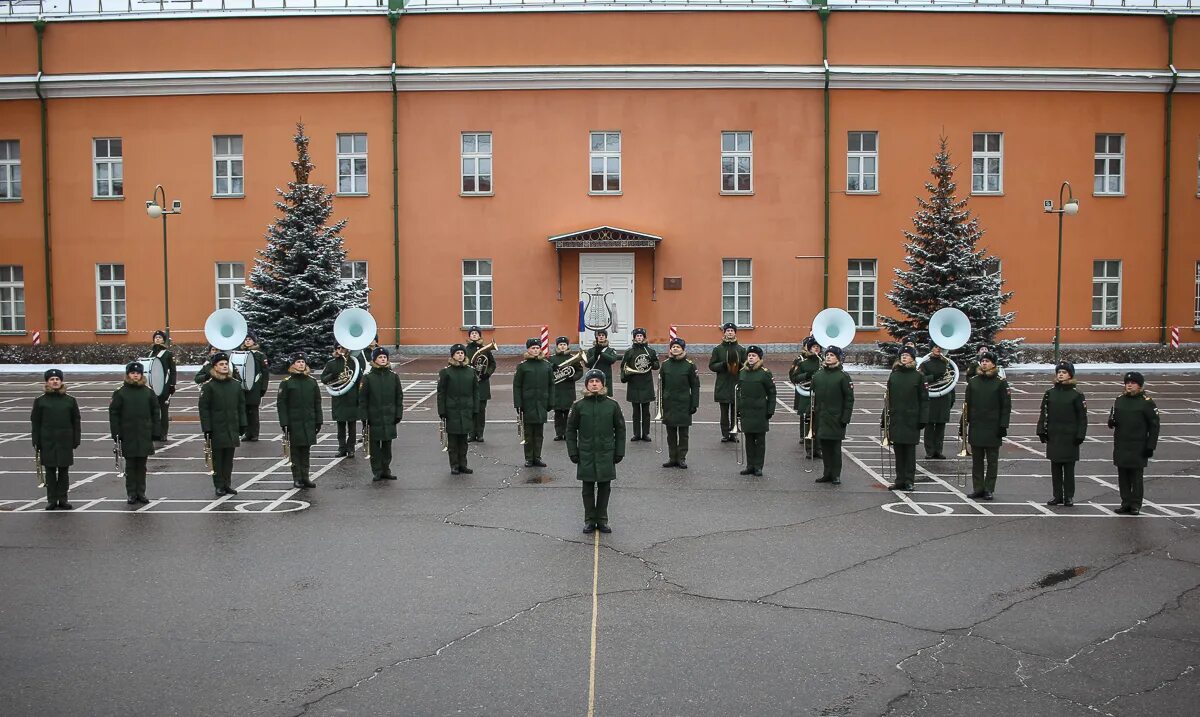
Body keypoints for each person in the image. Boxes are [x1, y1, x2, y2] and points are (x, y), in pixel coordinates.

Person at [567, 369, 626, 534]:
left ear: (603, 384)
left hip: (606, 452)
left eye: (597, 381)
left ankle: (602, 519)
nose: (594, 384)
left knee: (604, 488)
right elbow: (571, 430)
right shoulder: (578, 406)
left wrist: (619, 451)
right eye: (591, 381)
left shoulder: (612, 405)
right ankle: (589, 520)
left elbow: (620, 430)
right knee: (587, 488)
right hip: (586, 452)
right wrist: (573, 451)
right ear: (586, 384)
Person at [1107, 371, 1160, 515]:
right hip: (1121, 443)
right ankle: (1125, 502)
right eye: (1127, 383)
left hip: (1138, 444)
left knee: (1136, 477)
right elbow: (1113, 417)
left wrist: (1150, 446)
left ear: (1140, 385)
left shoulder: (1146, 402)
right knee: (1123, 475)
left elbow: (1154, 426)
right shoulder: (1119, 399)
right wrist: (1111, 422)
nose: (1129, 385)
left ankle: (1136, 504)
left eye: (1133, 383)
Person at [1037, 361, 1088, 507]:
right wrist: (1041, 430)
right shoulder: (1050, 393)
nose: (1060, 374)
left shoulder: (1076, 394)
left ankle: (1069, 496)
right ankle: (1057, 495)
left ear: (1070, 375)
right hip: (1054, 434)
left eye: (1064, 372)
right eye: (1059, 372)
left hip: (1070, 436)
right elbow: (1044, 412)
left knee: (1069, 468)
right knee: (1056, 467)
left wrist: (1080, 434)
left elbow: (1082, 417)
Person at [109, 361, 161, 505]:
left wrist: (156, 431)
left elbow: (155, 412)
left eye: (138, 373)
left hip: (144, 433)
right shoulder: (120, 393)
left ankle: (141, 492)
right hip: (128, 434)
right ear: (128, 375)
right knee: (131, 466)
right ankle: (131, 493)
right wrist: (116, 433)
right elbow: (114, 414)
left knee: (142, 466)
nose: (135, 376)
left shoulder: (148, 392)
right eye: (132, 373)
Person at [30, 368, 81, 510]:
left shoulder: (70, 400)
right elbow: (35, 422)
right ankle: (52, 499)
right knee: (50, 472)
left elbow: (76, 421)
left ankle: (63, 499)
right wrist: (36, 441)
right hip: (48, 441)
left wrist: (76, 439)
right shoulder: (40, 401)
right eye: (52, 379)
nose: (55, 381)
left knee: (64, 472)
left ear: (61, 381)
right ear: (47, 382)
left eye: (57, 379)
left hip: (65, 441)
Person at [963, 351, 1011, 500]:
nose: (984, 363)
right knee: (977, 460)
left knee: (992, 460)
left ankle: (989, 488)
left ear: (994, 364)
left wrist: (1003, 425)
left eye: (987, 361)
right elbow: (967, 405)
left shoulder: (1000, 382)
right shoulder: (974, 381)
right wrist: (963, 424)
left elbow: (1006, 406)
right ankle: (978, 488)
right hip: (977, 425)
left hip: (993, 426)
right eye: (982, 361)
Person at [198, 352, 247, 498]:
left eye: (226, 364)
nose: (224, 366)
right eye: (221, 364)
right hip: (216, 427)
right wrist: (207, 428)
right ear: (215, 367)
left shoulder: (235, 385)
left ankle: (227, 484)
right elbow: (204, 409)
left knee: (228, 459)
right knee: (218, 459)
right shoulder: (209, 386)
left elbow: (241, 406)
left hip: (231, 426)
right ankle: (219, 485)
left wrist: (243, 424)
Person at [884, 346, 929, 491]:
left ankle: (909, 480)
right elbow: (888, 398)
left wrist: (923, 418)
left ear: (912, 358)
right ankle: (899, 480)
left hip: (911, 419)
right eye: (902, 355)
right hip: (897, 418)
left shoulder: (918, 376)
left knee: (909, 452)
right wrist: (884, 417)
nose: (904, 357)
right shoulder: (894, 375)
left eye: (907, 355)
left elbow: (924, 400)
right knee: (898, 451)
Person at [359, 347, 405, 481]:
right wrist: (364, 417)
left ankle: (386, 469)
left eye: (384, 357)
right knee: (374, 446)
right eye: (380, 357)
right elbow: (362, 400)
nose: (383, 359)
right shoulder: (368, 378)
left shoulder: (393, 376)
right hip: (374, 417)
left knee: (387, 445)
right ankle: (377, 471)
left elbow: (399, 397)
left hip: (389, 416)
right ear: (374, 360)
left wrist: (398, 413)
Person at [278, 354, 322, 489]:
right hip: (294, 422)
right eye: (298, 362)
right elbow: (282, 404)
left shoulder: (311, 382)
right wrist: (284, 423)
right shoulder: (287, 382)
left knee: (306, 450)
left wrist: (318, 420)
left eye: (303, 362)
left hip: (308, 421)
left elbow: (317, 402)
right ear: (293, 365)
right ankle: (297, 477)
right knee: (295, 451)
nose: (301, 364)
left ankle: (306, 477)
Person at [811, 345, 854, 485]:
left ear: (838, 358)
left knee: (835, 448)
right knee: (824, 446)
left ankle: (836, 474)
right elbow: (813, 396)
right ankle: (827, 473)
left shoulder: (843, 377)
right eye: (827, 355)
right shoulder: (818, 375)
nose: (828, 357)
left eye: (832, 355)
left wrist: (845, 418)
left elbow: (849, 399)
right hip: (821, 417)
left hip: (836, 417)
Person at [437, 343, 480, 475]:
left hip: (466, 409)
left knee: (464, 441)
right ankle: (454, 465)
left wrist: (475, 408)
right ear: (453, 356)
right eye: (457, 353)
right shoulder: (446, 372)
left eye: (462, 353)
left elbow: (475, 392)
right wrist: (442, 410)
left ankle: (463, 464)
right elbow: (441, 393)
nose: (460, 355)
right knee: (453, 441)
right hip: (452, 410)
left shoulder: (471, 371)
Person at [659, 337, 700, 469]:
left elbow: (695, 386)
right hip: (669, 403)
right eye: (673, 347)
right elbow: (661, 385)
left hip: (683, 403)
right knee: (670, 433)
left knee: (683, 434)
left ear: (683, 349)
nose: (675, 349)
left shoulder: (689, 365)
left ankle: (681, 458)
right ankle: (672, 457)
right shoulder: (665, 365)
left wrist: (694, 403)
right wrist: (660, 402)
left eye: (678, 347)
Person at [735, 345, 775, 477]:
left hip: (760, 411)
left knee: (760, 441)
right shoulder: (743, 372)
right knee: (749, 440)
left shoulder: (764, 373)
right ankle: (750, 465)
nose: (751, 358)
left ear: (759, 358)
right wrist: (738, 408)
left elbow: (772, 393)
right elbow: (739, 391)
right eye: (749, 355)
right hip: (747, 410)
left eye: (753, 356)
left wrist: (770, 410)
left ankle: (758, 466)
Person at [514, 338, 553, 467]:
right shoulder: (523, 366)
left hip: (541, 402)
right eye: (533, 348)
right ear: (528, 349)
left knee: (539, 433)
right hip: (527, 403)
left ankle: (537, 456)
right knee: (528, 433)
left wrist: (550, 401)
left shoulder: (546, 365)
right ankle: (529, 458)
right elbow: (517, 386)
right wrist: (518, 403)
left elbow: (551, 385)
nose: (535, 350)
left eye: (537, 348)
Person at [709, 322, 748, 442]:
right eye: (728, 330)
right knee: (724, 412)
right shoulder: (718, 349)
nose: (730, 332)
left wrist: (739, 366)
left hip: (736, 383)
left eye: (732, 330)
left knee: (735, 411)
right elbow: (712, 365)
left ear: (735, 333)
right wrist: (723, 365)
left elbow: (746, 366)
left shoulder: (741, 349)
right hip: (723, 384)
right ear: (724, 333)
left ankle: (733, 433)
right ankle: (725, 434)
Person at [321, 345, 362, 457]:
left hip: (352, 396)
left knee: (352, 426)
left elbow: (359, 379)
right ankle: (341, 448)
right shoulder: (331, 363)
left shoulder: (354, 362)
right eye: (339, 348)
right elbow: (323, 379)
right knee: (341, 425)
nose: (341, 350)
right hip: (339, 397)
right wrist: (334, 376)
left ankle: (351, 448)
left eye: (343, 348)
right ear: (336, 350)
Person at [620, 327, 660, 442]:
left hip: (646, 383)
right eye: (637, 336)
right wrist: (625, 376)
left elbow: (656, 366)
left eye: (641, 336)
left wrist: (653, 362)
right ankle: (636, 433)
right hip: (634, 383)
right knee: (636, 411)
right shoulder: (629, 352)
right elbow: (623, 366)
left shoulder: (650, 351)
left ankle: (646, 433)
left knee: (646, 411)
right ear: (634, 338)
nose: (639, 338)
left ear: (644, 337)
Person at [919, 343, 955, 460]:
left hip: (944, 397)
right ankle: (929, 451)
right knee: (929, 426)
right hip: (931, 398)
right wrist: (933, 377)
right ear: (931, 349)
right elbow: (921, 379)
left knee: (940, 426)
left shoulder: (947, 364)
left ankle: (938, 450)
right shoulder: (925, 364)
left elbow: (951, 380)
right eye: (935, 347)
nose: (938, 349)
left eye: (940, 347)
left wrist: (952, 399)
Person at [788, 336, 823, 459]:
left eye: (818, 347)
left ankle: (818, 448)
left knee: (819, 422)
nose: (816, 349)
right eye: (814, 347)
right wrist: (807, 375)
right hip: (806, 394)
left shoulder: (823, 361)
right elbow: (794, 377)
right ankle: (809, 447)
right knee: (807, 419)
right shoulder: (802, 361)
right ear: (809, 348)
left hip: (820, 395)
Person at [465, 326, 496, 442]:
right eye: (472, 333)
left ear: (479, 336)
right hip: (469, 383)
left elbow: (492, 364)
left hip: (482, 384)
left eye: (476, 333)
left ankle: (480, 434)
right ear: (469, 336)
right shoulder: (465, 350)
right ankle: (471, 434)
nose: (474, 335)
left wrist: (487, 373)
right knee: (470, 409)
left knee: (481, 411)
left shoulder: (485, 350)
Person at [239, 332, 271, 442]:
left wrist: (263, 388)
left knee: (253, 411)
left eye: (250, 339)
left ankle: (255, 433)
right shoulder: (240, 354)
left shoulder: (259, 355)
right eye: (246, 339)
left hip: (255, 387)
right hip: (243, 387)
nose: (247, 341)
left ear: (254, 341)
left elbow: (265, 373)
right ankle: (247, 433)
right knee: (244, 410)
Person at [549, 336, 582, 441]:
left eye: (564, 345)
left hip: (568, 388)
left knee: (568, 413)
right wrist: (552, 369)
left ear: (567, 346)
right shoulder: (552, 358)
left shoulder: (572, 358)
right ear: (557, 346)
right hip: (557, 389)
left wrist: (573, 378)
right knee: (558, 413)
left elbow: (579, 371)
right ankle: (559, 433)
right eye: (560, 345)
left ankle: (567, 433)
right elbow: (547, 372)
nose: (562, 346)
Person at [148, 329, 177, 442]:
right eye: (156, 337)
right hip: (152, 386)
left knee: (163, 411)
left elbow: (173, 371)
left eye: (160, 337)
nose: (157, 339)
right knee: (152, 411)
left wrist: (172, 385)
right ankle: (154, 432)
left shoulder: (168, 354)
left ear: (164, 340)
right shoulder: (149, 353)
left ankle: (163, 433)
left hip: (164, 386)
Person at [585, 329, 619, 397]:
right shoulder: (591, 350)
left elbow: (612, 360)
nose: (601, 337)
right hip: (593, 377)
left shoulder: (610, 350)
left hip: (606, 377)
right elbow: (587, 364)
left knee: (606, 397)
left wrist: (601, 353)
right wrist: (595, 355)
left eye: (603, 335)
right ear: (596, 337)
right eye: (599, 335)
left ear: (606, 337)